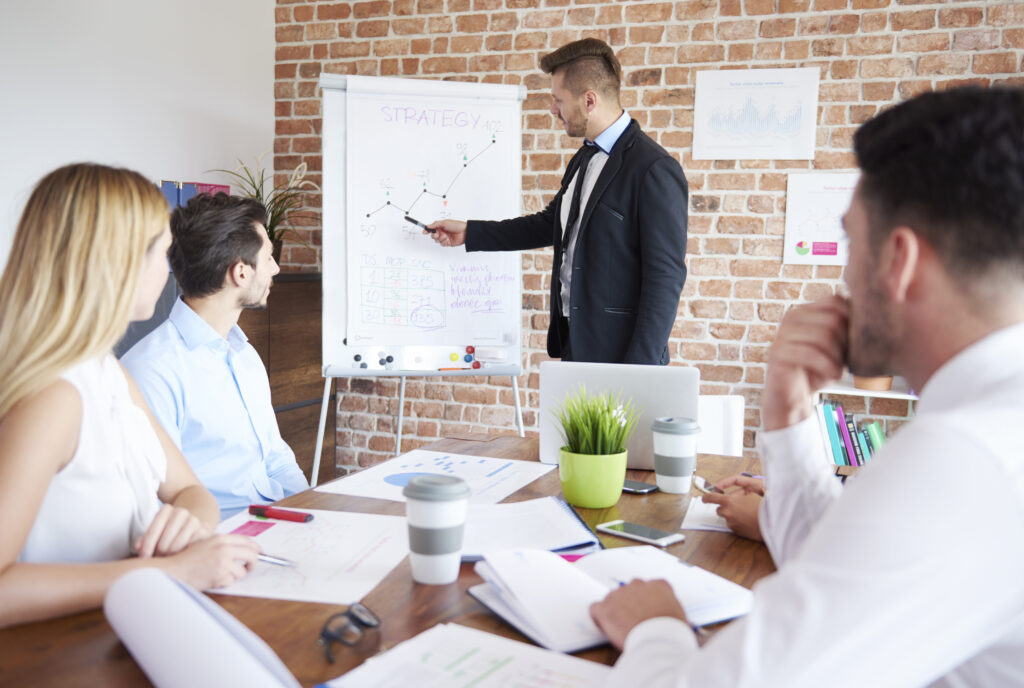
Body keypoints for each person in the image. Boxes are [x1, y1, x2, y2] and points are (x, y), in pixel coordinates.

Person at [590, 86, 1024, 686]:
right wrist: (787, 411)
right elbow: (837, 566)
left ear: (898, 261)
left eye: (851, 243)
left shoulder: (964, 458)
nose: (844, 276)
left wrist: (655, 629)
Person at [0, 164, 259, 629]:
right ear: (116, 263)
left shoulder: (109, 373)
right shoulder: (53, 398)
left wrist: (190, 522)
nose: (168, 270)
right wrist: (169, 571)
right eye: (162, 253)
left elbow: (190, 491)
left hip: (128, 627)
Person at [426, 38, 687, 364]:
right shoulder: (583, 158)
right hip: (575, 345)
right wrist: (470, 232)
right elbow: (551, 223)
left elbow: (665, 277)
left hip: (624, 359)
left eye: (558, 100)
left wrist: (639, 369)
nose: (553, 109)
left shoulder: (653, 169)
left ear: (589, 100)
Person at [122, 193, 308, 520]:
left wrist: (311, 511)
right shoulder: (150, 371)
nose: (276, 268)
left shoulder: (245, 355)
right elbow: (153, 501)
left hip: (280, 525)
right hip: (219, 542)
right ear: (240, 273)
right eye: (268, 257)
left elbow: (277, 459)